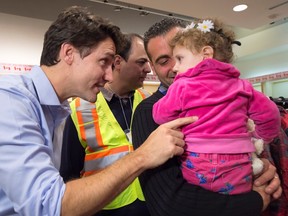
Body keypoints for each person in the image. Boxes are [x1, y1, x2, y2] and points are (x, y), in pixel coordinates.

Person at [0, 6, 195, 215]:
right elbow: (48, 205)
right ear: (68, 53)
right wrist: (143, 156)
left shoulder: (55, 110)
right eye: (104, 62)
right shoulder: (10, 101)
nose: (110, 76)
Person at [132, 17, 282, 216]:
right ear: (152, 65)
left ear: (203, 51)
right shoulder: (146, 111)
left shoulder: (236, 92)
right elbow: (169, 204)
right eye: (164, 60)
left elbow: (259, 144)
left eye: (180, 56)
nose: (175, 67)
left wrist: (265, 171)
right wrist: (255, 201)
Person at [60, 33, 152, 215]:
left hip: (148, 206)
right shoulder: (79, 110)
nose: (148, 69)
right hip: (103, 209)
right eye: (141, 62)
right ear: (117, 62)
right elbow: (68, 176)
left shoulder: (148, 104)